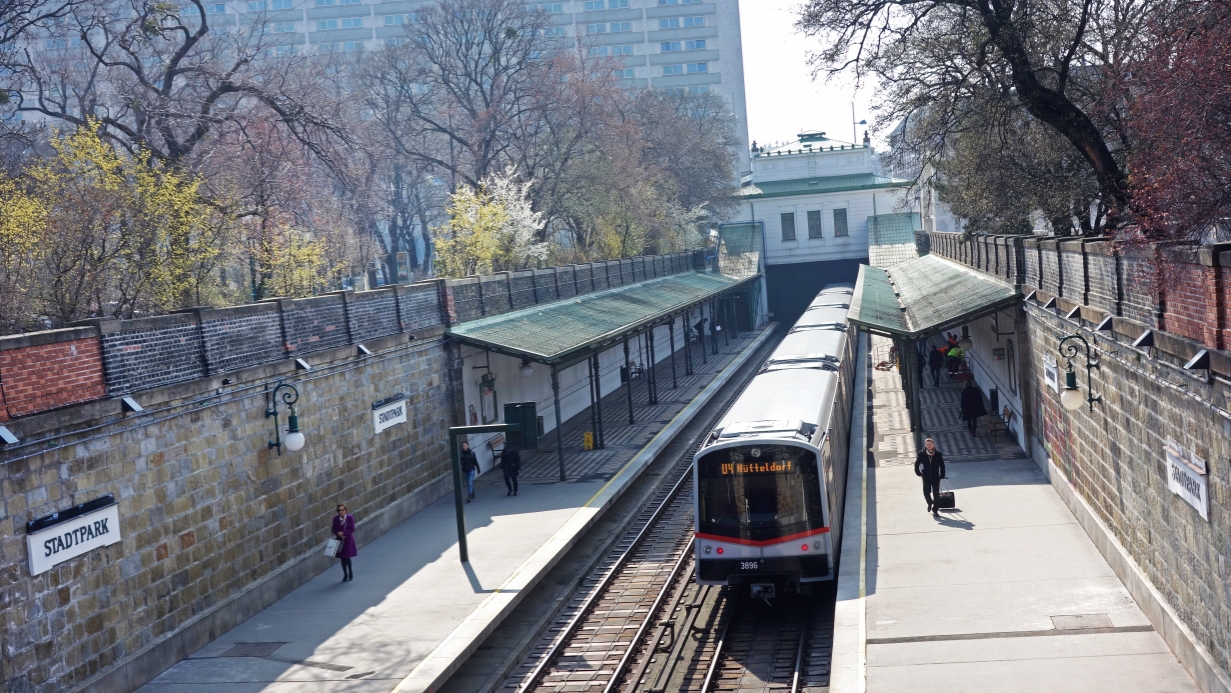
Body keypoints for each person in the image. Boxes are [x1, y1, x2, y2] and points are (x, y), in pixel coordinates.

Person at [914, 439, 947, 514]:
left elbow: (942, 465)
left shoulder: (938, 454)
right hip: (926, 476)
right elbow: (917, 464)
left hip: (935, 476)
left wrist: (942, 475)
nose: (929, 446)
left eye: (930, 444)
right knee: (926, 492)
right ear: (925, 445)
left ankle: (935, 509)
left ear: (933, 445)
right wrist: (918, 473)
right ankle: (930, 503)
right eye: (927, 444)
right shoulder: (921, 454)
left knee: (936, 494)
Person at [332, 504, 358, 582]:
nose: (341, 511)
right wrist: (338, 533)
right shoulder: (335, 519)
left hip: (348, 540)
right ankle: (345, 574)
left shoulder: (349, 518)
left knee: (347, 557)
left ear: (345, 510)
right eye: (339, 510)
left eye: (342, 510)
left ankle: (350, 571)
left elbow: (352, 528)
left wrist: (344, 533)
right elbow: (333, 529)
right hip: (340, 541)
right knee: (342, 558)